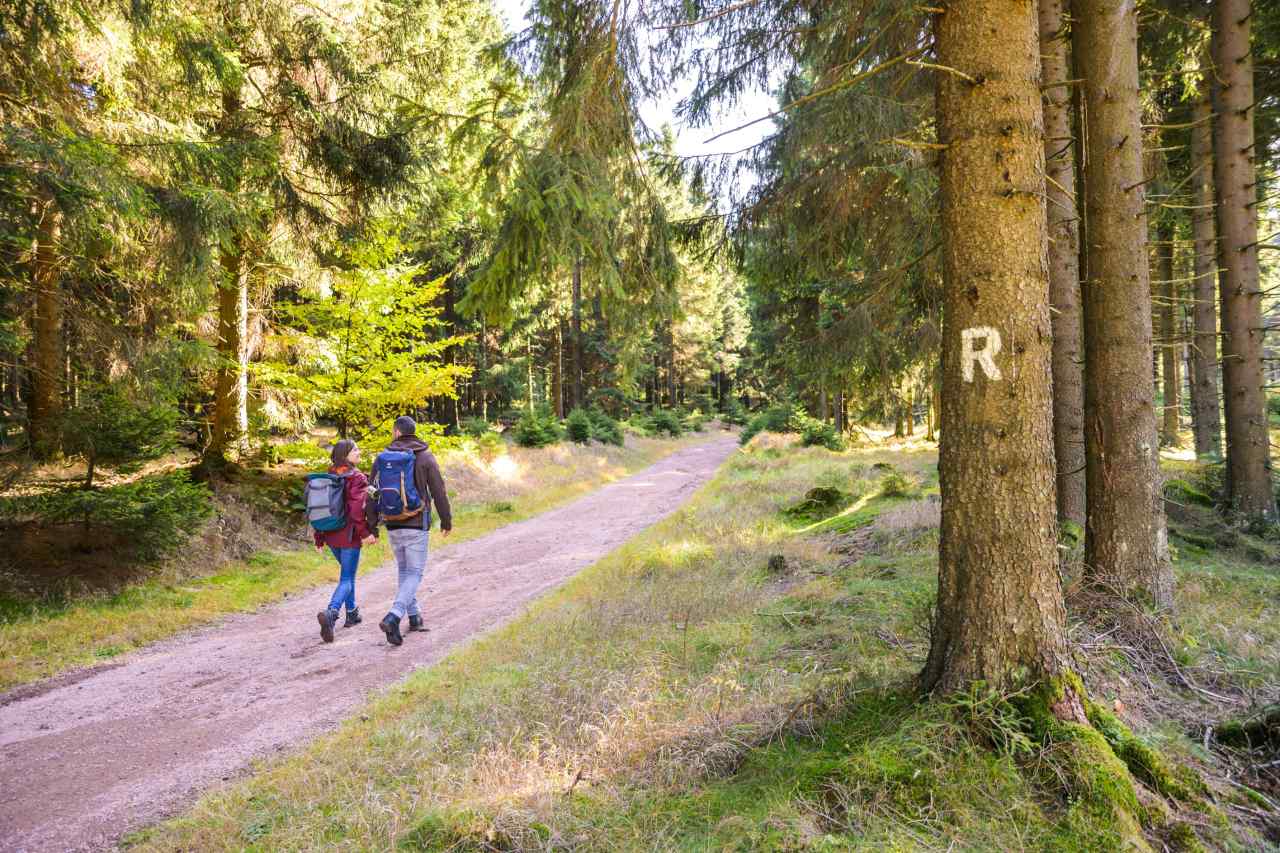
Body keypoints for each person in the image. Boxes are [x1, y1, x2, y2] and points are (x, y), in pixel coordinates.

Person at [373, 415, 452, 646]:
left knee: (404, 571)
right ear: (413, 432)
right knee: (414, 573)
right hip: (417, 523)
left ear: (397, 432)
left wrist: (372, 526)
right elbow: (439, 491)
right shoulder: (425, 456)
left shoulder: (383, 458)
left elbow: (372, 492)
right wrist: (446, 521)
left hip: (392, 521)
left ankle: (415, 616)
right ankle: (394, 616)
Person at [314, 439, 376, 643]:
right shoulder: (356, 477)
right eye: (354, 450)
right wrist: (365, 533)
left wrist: (319, 537)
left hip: (330, 534)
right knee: (347, 578)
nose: (359, 451)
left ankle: (352, 613)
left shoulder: (329, 474)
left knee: (347, 576)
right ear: (345, 455)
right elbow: (357, 511)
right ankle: (331, 613)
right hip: (348, 535)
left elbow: (319, 507)